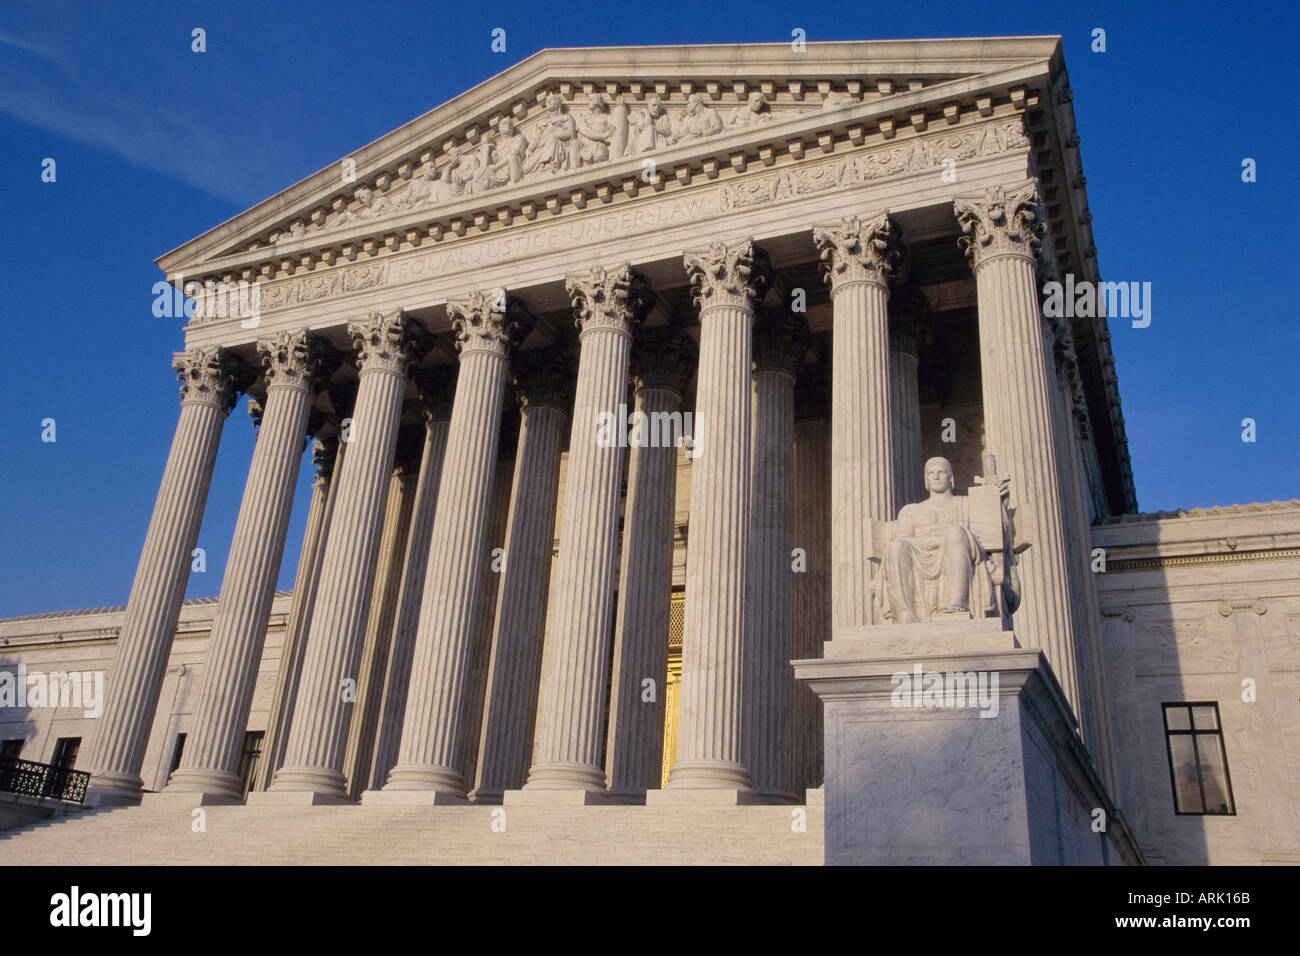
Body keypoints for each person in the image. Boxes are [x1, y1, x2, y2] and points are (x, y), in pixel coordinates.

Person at [878, 457, 1005, 623]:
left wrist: (997, 500)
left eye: (941, 472)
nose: (936, 476)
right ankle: (905, 612)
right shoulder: (911, 511)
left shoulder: (966, 504)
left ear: (951, 478)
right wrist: (939, 540)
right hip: (921, 557)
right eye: (931, 474)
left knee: (955, 533)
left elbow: (995, 530)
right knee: (896, 547)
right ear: (926, 480)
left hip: (960, 552)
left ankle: (956, 603)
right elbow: (902, 541)